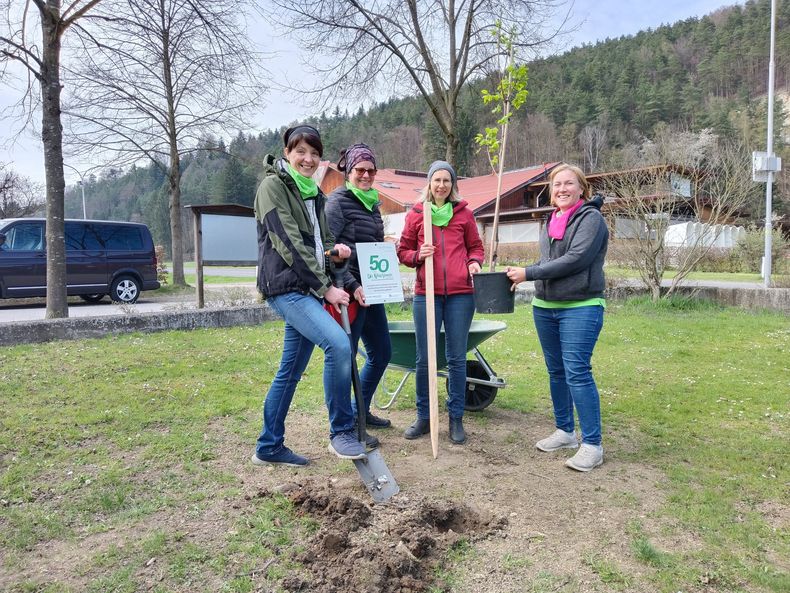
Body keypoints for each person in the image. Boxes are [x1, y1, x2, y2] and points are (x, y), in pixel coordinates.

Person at [251, 124, 366, 467]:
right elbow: (289, 244)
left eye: (315, 153)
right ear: (287, 153)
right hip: (288, 288)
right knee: (338, 345)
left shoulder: (314, 194)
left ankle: (269, 446)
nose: (308, 159)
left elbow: (321, 243)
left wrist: (336, 253)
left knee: (291, 369)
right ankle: (341, 431)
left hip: (308, 288)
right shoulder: (272, 187)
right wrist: (327, 288)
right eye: (301, 151)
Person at [506, 163, 608, 472]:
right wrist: (521, 273)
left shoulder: (591, 219)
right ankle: (565, 431)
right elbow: (548, 261)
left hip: (581, 305)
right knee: (557, 372)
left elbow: (575, 260)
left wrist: (530, 273)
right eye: (557, 184)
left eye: (568, 183)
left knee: (577, 370)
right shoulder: (552, 220)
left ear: (581, 188)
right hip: (545, 306)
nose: (562, 189)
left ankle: (592, 445)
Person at [397, 160, 484, 444]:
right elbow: (403, 250)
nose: (442, 185)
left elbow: (476, 247)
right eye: (437, 180)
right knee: (425, 359)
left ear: (453, 185)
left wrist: (474, 263)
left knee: (457, 358)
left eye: (447, 181)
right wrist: (417, 256)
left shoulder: (464, 214)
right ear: (429, 184)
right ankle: (425, 416)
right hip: (427, 294)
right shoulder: (417, 214)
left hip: (461, 295)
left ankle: (456, 417)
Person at [326, 143, 392, 448]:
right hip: (350, 294)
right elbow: (334, 253)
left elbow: (371, 250)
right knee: (345, 358)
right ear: (348, 172)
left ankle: (359, 410)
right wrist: (353, 286)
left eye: (370, 170)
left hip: (373, 290)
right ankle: (345, 426)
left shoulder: (372, 204)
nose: (365, 175)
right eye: (359, 170)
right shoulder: (337, 203)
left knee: (382, 352)